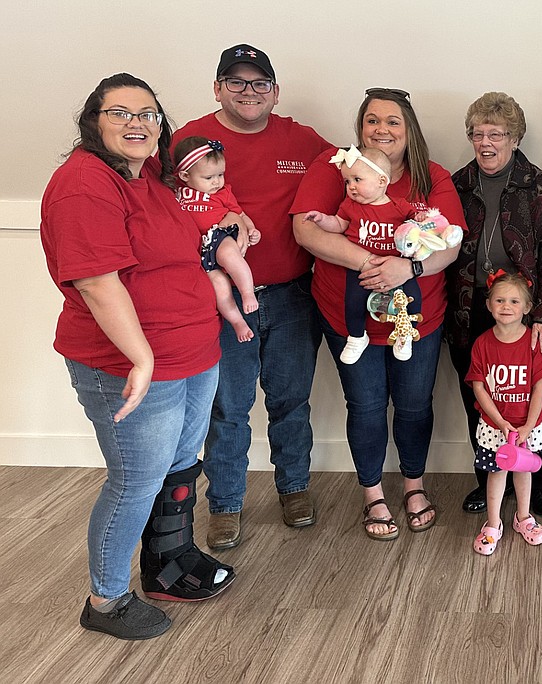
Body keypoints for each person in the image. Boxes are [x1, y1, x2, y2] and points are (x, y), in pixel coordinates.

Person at [40, 73, 235, 640]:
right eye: (120, 112)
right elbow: (99, 282)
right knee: (135, 481)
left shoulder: (146, 173)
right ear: (92, 122)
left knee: (178, 466)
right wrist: (142, 360)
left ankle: (169, 566)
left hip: (194, 351)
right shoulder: (83, 184)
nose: (137, 123)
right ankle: (106, 601)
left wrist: (234, 219)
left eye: (148, 113)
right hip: (128, 366)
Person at [175, 44, 331, 551]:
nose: (249, 92)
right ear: (217, 87)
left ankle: (294, 488)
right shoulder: (186, 142)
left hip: (291, 298)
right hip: (218, 303)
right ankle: (225, 505)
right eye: (236, 82)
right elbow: (156, 207)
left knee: (291, 402)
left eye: (259, 83)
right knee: (228, 409)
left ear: (275, 92)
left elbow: (358, 171)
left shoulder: (302, 139)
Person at [291, 88, 464, 541]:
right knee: (365, 406)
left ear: (410, 132)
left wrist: (409, 267)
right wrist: (370, 263)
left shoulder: (432, 178)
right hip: (350, 320)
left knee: (413, 406)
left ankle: (413, 486)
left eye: (392, 122)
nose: (381, 129)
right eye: (372, 120)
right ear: (360, 127)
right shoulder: (338, 168)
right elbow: (306, 229)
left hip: (417, 321)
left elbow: (452, 240)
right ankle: (373, 495)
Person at [447, 91, 542, 518]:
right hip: (472, 311)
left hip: (530, 315)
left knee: (538, 403)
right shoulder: (457, 184)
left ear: (514, 138)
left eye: (496, 134)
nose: (486, 142)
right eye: (478, 133)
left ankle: (540, 485)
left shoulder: (539, 185)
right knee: (482, 400)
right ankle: (489, 479)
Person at [301, 146, 423, 363]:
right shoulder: (350, 206)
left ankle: (405, 334)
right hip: (360, 269)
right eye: (348, 182)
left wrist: (421, 221)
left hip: (397, 267)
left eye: (357, 179)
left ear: (382, 181)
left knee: (412, 299)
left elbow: (418, 223)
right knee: (353, 302)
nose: (352, 187)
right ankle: (357, 337)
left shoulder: (399, 206)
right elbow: (338, 224)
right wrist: (321, 219)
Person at [466, 272, 542, 555]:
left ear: (527, 308)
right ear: (489, 305)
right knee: (496, 473)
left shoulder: (533, 342)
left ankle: (523, 517)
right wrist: (500, 421)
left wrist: (528, 425)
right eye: (500, 300)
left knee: (523, 472)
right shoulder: (482, 344)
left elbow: (540, 388)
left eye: (514, 301)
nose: (506, 306)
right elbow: (479, 387)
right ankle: (493, 524)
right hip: (496, 427)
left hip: (528, 426)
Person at [173, 137, 262, 343]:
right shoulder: (176, 192)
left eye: (220, 175)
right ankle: (237, 321)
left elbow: (239, 214)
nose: (217, 182)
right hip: (197, 250)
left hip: (219, 236)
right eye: (209, 177)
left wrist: (251, 229)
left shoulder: (223, 193)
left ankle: (247, 293)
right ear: (185, 175)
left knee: (230, 255)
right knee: (219, 286)